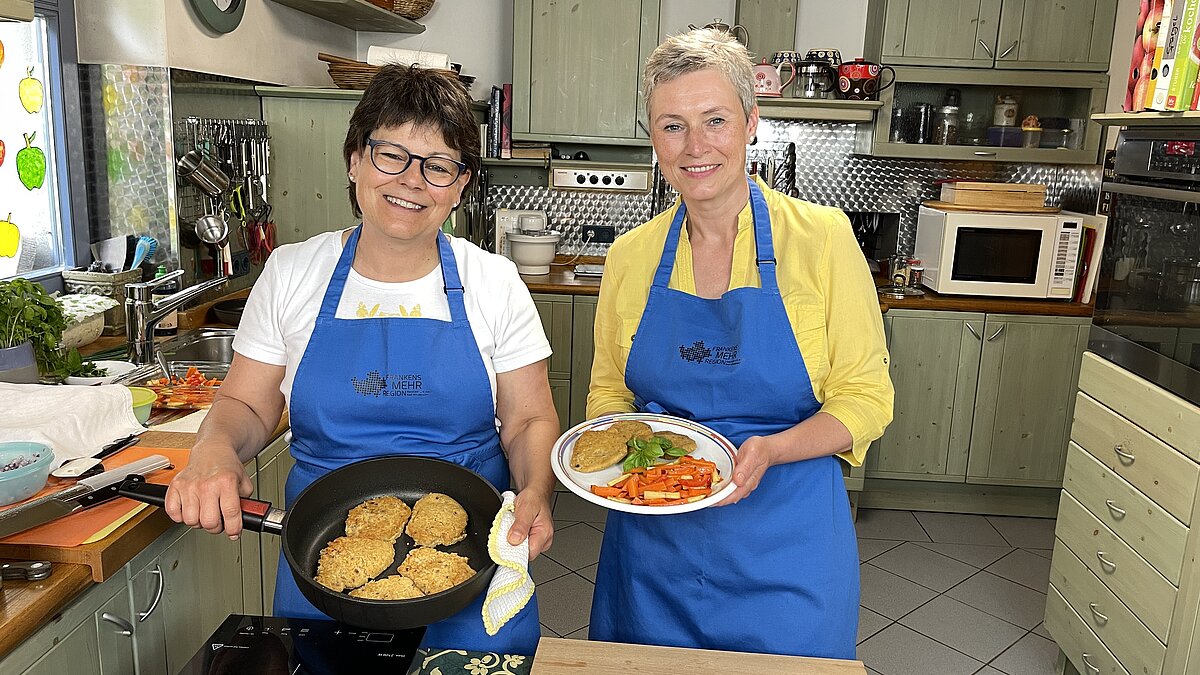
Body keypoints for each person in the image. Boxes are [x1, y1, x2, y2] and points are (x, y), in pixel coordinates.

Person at [164, 65, 558, 655]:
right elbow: (245, 402)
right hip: (324, 555)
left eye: (438, 165)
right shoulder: (293, 272)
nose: (412, 181)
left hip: (473, 553)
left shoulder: (494, 282)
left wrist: (536, 493)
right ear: (354, 160)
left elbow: (529, 421)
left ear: (461, 184)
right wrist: (213, 450)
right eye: (390, 154)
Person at [586, 29, 894, 659]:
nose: (695, 146)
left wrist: (771, 450)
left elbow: (867, 401)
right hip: (654, 548)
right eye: (673, 125)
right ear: (653, 137)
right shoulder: (630, 258)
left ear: (752, 122)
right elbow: (608, 396)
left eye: (715, 120)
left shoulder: (823, 240)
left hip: (787, 544)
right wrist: (638, 452)